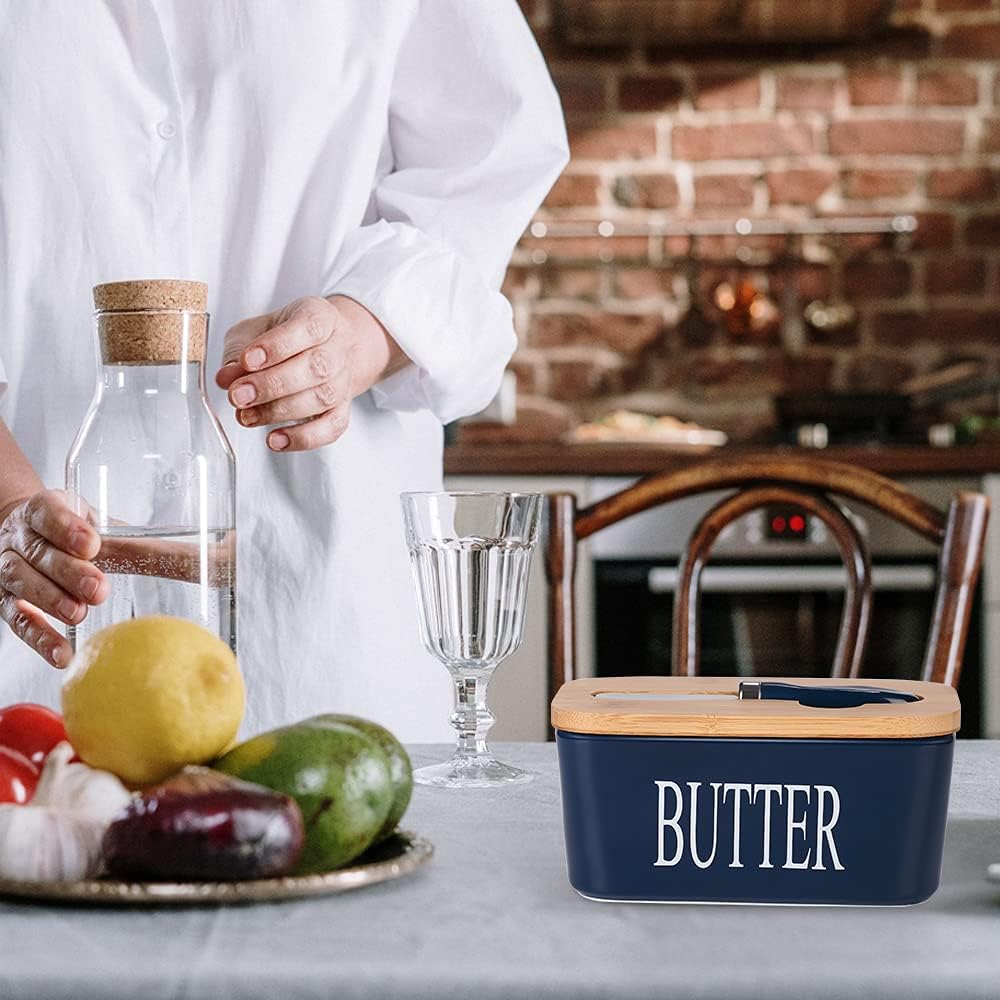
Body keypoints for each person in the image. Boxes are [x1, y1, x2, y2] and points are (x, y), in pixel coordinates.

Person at [0, 1, 567, 741]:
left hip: (321, 625)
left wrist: (361, 331)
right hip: (36, 652)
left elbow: (492, 158)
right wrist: (11, 504)